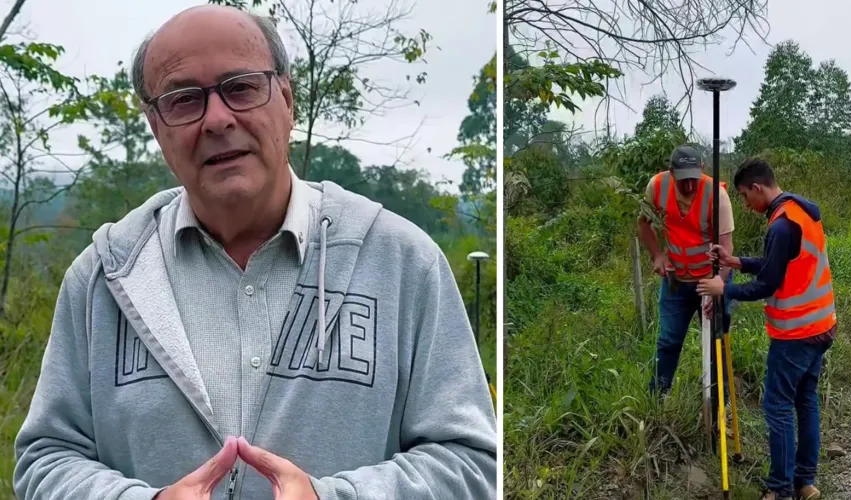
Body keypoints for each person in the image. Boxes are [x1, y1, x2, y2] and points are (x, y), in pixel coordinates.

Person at [12, 6, 496, 500]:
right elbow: (46, 459)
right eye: (183, 100)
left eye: (241, 87)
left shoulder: (400, 263)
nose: (218, 119)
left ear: (287, 100)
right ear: (156, 127)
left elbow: (472, 462)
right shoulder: (103, 278)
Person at [696, 158, 835, 500]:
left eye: (744, 196)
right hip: (822, 326)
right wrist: (736, 262)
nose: (745, 204)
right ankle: (805, 482)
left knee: (778, 407)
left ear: (757, 188)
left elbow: (768, 284)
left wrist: (723, 288)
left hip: (795, 334)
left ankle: (780, 490)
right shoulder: (801, 212)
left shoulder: (780, 225)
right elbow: (780, 264)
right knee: (806, 402)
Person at [636, 144, 736, 399]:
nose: (690, 186)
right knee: (668, 340)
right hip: (676, 282)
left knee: (716, 343)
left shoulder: (716, 195)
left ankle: (718, 403)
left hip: (710, 279)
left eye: (694, 179)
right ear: (671, 173)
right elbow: (643, 224)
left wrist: (717, 285)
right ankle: (657, 399)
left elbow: (727, 248)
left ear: (701, 170)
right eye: (683, 181)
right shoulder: (656, 186)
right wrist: (657, 254)